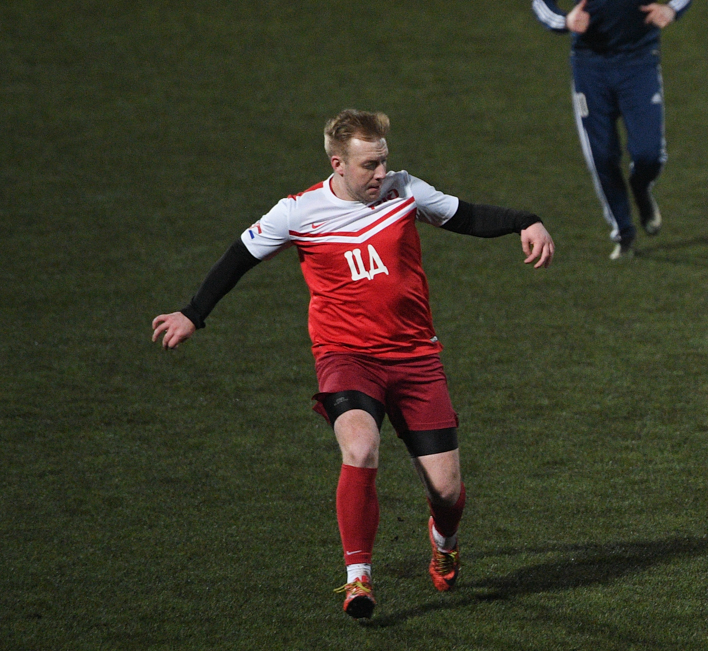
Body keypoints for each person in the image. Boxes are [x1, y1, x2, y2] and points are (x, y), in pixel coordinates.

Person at [150, 110, 555, 620]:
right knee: (361, 447)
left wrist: (525, 220)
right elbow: (238, 258)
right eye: (369, 165)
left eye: (383, 161)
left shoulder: (405, 191)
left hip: (415, 358)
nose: (381, 173)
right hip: (346, 357)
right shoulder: (297, 212)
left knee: (447, 492)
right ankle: (358, 577)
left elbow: (467, 217)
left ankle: (444, 539)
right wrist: (193, 314)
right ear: (337, 164)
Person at [531, 0, 697, 259]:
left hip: (639, 62)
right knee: (602, 156)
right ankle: (624, 232)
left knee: (648, 155)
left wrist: (672, 9)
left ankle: (641, 189)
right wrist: (565, 21)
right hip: (590, 66)